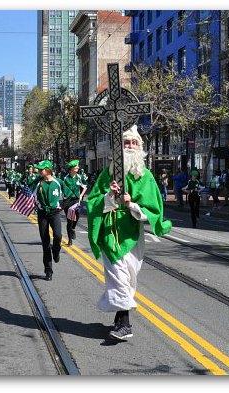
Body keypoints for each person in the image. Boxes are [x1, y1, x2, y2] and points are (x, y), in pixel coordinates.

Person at [87, 125, 172, 341]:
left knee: (129, 278)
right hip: (110, 235)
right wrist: (109, 196)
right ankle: (125, 326)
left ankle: (119, 318)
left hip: (132, 236)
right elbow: (93, 201)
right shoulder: (107, 175)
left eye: (134, 143)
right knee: (119, 278)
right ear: (119, 148)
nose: (130, 146)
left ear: (140, 147)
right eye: (126, 143)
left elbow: (153, 210)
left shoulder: (146, 177)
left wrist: (132, 204)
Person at [33, 160, 64, 281]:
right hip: (42, 214)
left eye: (42, 169)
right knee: (45, 242)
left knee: (58, 235)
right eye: (39, 170)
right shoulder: (38, 182)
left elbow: (66, 194)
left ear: (48, 170)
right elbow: (32, 195)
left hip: (54, 213)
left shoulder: (58, 182)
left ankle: (56, 251)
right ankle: (48, 270)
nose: (40, 171)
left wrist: (62, 206)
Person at [62, 159, 88, 246]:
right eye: (76, 166)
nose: (78, 167)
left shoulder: (80, 177)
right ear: (71, 168)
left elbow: (85, 187)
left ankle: (73, 228)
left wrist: (81, 195)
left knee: (77, 214)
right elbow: (62, 189)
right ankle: (69, 239)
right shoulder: (65, 178)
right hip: (67, 201)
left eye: (77, 166)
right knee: (69, 220)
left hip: (76, 200)